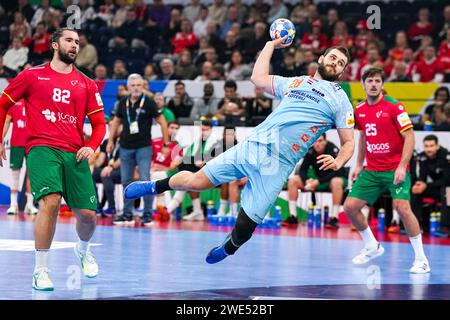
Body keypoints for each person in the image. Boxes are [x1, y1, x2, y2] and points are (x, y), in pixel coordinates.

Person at [124, 40, 355, 264]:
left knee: (246, 228)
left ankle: (228, 248)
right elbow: (258, 78)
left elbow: (348, 142)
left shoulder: (340, 100)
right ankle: (153, 187)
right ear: (321, 58)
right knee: (197, 181)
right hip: (252, 145)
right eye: (333, 57)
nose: (335, 63)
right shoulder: (296, 82)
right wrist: (270, 45)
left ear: (342, 72)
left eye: (341, 63)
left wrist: (339, 160)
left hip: (278, 164)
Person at [0, 28, 107, 290]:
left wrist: (91, 146)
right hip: (41, 147)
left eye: (77, 42)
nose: (74, 45)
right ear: (55, 45)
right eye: (69, 40)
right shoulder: (32, 76)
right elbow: (3, 103)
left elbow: (100, 125)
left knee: (87, 215)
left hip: (74, 151)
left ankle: (82, 249)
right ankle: (40, 270)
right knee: (50, 201)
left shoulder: (86, 84)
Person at [343, 67, 430, 274]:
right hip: (372, 170)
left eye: (377, 81)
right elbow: (363, 136)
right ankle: (372, 245)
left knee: (402, 208)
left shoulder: (394, 107)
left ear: (382, 84)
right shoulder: (360, 110)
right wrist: (358, 164)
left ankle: (421, 259)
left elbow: (409, 136)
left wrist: (402, 166)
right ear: (363, 84)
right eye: (370, 81)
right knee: (350, 207)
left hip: (394, 169)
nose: (373, 84)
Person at [107, 73, 169, 227]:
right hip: (125, 147)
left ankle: (147, 214)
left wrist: (166, 143)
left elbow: (163, 122)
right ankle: (127, 214)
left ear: (143, 87)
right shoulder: (122, 103)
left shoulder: (148, 102)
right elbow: (115, 121)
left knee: (145, 180)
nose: (135, 88)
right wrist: (110, 140)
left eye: (138, 85)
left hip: (143, 147)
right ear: (128, 87)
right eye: (133, 85)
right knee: (126, 181)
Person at [285, 133, 348, 228]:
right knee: (293, 180)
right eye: (315, 141)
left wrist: (318, 182)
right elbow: (302, 169)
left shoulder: (332, 149)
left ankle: (334, 218)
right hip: (317, 181)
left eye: (320, 141)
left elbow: (339, 171)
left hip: (331, 180)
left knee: (336, 182)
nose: (317, 144)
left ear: (325, 141)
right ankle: (293, 216)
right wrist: (307, 181)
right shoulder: (311, 151)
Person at [2, 99, 38, 215]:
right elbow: (7, 121)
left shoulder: (35, 101)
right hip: (17, 144)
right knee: (15, 174)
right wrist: (0, 141)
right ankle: (13, 205)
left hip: (32, 144)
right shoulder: (14, 102)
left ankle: (30, 204)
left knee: (31, 175)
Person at [411, 135, 449, 236]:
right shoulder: (422, 156)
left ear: (437, 146)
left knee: (447, 191)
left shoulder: (446, 156)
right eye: (426, 146)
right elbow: (422, 176)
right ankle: (416, 225)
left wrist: (426, 185)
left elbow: (447, 180)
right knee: (415, 191)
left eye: (431, 146)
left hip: (447, 186)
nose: (429, 149)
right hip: (434, 187)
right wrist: (419, 184)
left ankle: (445, 227)